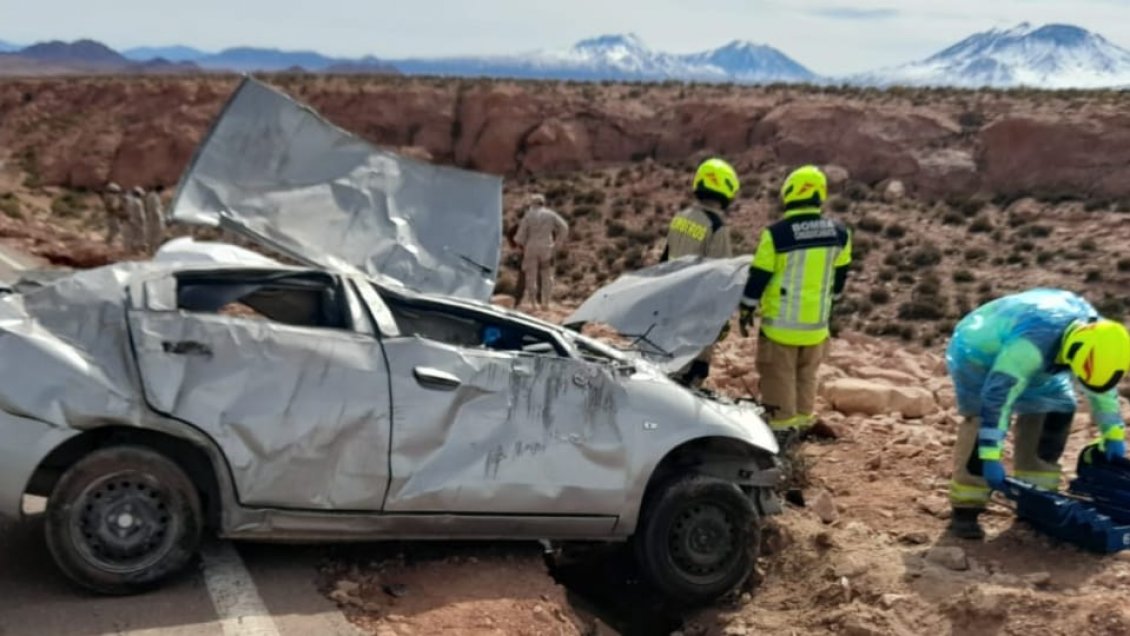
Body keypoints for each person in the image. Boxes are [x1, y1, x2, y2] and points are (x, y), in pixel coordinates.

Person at [944, 289, 1130, 540]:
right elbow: (998, 398)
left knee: (1056, 408)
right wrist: (989, 455)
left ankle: (1037, 500)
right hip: (979, 353)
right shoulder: (1029, 347)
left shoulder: (1100, 338)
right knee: (981, 421)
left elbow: (1102, 390)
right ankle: (966, 509)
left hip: (1046, 355)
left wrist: (1113, 434)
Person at [738, 165, 852, 439]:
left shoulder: (777, 234)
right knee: (806, 378)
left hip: (780, 327)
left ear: (788, 193)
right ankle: (802, 428)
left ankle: (781, 437)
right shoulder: (840, 233)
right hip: (815, 327)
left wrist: (746, 308)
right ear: (819, 194)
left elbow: (759, 276)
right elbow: (840, 276)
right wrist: (829, 304)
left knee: (779, 378)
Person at [660, 157, 741, 387]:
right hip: (698, 312)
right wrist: (722, 319)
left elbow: (664, 260)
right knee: (692, 373)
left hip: (671, 303)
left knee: (666, 366)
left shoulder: (680, 218)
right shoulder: (716, 226)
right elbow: (721, 277)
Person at [514, 193, 568, 308]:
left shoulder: (528, 215)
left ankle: (534, 304)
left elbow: (520, 235)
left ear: (533, 204)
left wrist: (522, 245)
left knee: (531, 275)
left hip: (531, 246)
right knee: (547, 274)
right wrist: (557, 244)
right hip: (546, 246)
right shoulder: (551, 215)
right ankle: (546, 302)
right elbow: (564, 227)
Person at [123, 186, 148, 254]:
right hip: (137, 220)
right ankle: (136, 250)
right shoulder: (138, 202)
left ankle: (131, 249)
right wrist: (143, 221)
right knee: (139, 235)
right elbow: (141, 213)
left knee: (132, 235)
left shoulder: (129, 201)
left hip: (131, 220)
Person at [144, 185, 166, 254]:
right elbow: (156, 209)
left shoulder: (150, 195)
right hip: (155, 219)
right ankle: (155, 250)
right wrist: (160, 219)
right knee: (157, 235)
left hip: (150, 218)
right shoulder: (155, 197)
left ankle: (150, 250)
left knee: (151, 234)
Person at [101, 182, 124, 247]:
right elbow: (113, 207)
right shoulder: (111, 197)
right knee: (115, 228)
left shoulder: (107, 196)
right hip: (113, 215)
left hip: (110, 215)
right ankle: (109, 242)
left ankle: (109, 241)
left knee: (113, 229)